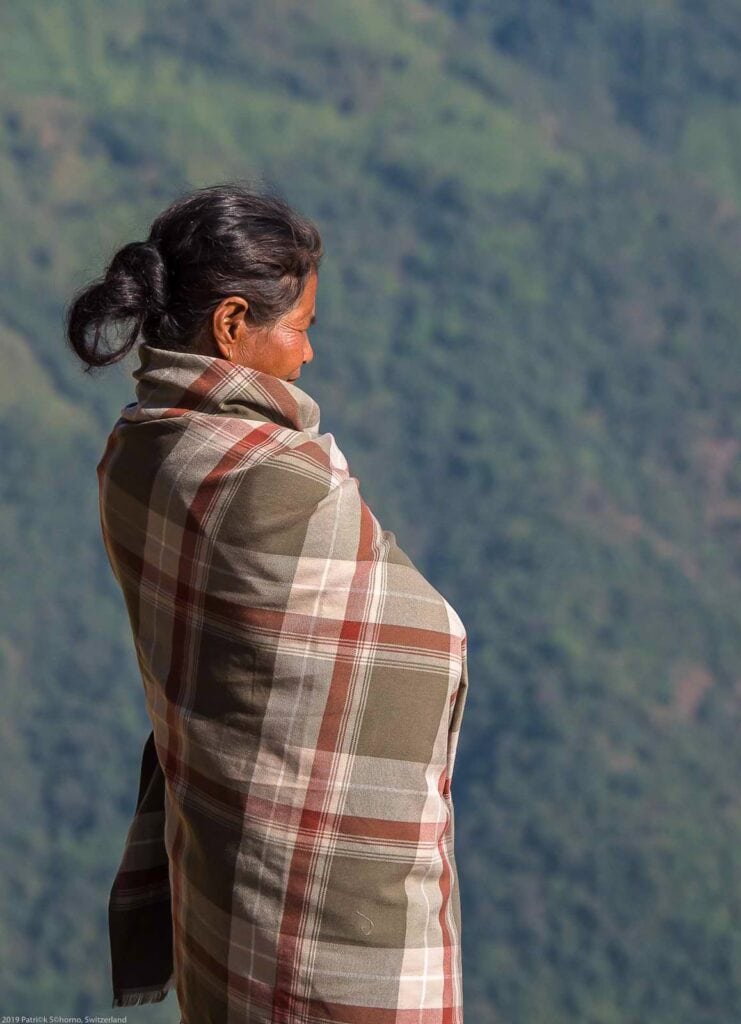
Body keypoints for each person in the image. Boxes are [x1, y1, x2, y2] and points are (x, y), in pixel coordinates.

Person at [66, 181, 469, 1023]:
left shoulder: (137, 451)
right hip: (318, 903)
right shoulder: (273, 475)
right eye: (301, 328)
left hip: (223, 862)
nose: (309, 355)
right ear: (231, 324)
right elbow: (423, 642)